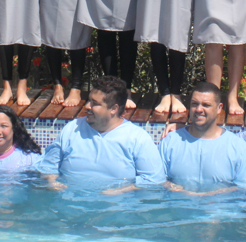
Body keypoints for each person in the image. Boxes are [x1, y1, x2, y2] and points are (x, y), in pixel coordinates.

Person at [38, 76, 166, 192]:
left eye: (95, 103)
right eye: (89, 100)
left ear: (114, 109)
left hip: (116, 206)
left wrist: (121, 191)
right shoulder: (72, 129)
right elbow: (47, 165)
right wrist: (51, 181)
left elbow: (154, 180)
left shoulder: (137, 138)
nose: (87, 106)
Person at [159, 82, 246, 193]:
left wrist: (215, 195)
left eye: (206, 105)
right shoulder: (170, 142)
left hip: (220, 204)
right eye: (194, 104)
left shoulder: (238, 147)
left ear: (219, 108)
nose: (199, 109)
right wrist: (179, 191)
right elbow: (155, 180)